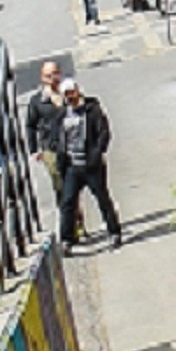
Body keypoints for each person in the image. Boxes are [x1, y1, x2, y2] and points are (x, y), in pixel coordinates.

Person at [52, 67, 123, 248]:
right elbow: (57, 137)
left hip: (91, 165)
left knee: (102, 198)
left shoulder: (92, 110)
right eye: (66, 94)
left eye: (72, 92)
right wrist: (61, 155)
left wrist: (97, 152)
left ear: (77, 91)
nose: (70, 97)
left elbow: (104, 132)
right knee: (68, 202)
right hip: (72, 166)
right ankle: (67, 239)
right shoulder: (62, 115)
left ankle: (114, 231)